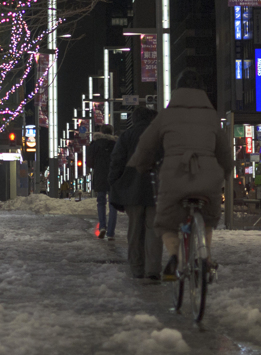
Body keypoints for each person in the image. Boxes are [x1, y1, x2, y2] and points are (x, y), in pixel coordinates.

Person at [128, 69, 232, 280]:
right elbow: (224, 152)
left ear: (177, 90)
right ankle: (205, 255)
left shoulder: (166, 115)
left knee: (166, 221)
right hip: (208, 178)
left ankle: (175, 256)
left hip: (174, 177)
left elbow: (146, 145)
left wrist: (141, 164)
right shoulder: (211, 116)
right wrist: (226, 170)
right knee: (208, 218)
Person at [108, 106, 162, 279]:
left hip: (132, 189)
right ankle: (153, 269)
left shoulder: (127, 136)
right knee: (154, 231)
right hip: (156, 190)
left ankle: (137, 267)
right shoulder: (160, 135)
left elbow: (117, 161)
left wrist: (114, 184)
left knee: (135, 230)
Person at [86, 124, 118, 240]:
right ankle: (111, 233)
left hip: (99, 175)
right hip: (114, 176)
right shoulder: (116, 144)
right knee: (113, 204)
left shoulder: (95, 144)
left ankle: (102, 227)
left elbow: (89, 163)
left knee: (101, 202)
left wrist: (97, 165)